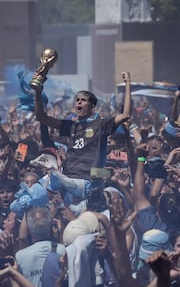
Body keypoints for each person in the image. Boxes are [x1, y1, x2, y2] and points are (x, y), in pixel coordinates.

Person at [33, 71, 131, 204]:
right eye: (77, 100)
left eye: (83, 100)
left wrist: (128, 83)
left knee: (54, 177)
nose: (79, 102)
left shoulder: (101, 125)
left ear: (92, 108)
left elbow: (125, 115)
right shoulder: (71, 126)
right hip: (70, 188)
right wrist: (38, 92)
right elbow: (41, 118)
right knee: (37, 193)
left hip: (87, 186)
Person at [15, 207, 65, 287]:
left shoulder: (20, 256)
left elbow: (22, 238)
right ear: (50, 226)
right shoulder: (63, 250)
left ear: (29, 228)